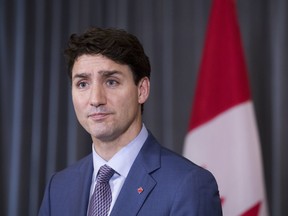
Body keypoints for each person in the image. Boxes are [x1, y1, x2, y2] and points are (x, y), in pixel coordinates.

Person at [38, 27, 222, 216]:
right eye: (82, 84)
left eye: (111, 82)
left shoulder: (189, 185)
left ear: (141, 90)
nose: (95, 99)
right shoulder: (58, 188)